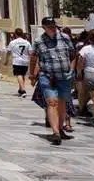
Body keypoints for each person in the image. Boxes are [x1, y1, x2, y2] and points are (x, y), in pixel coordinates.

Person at [29, 17, 76, 145]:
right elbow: (33, 58)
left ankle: (60, 129)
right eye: (49, 26)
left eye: (53, 26)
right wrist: (32, 75)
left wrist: (72, 70)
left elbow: (73, 55)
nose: (52, 28)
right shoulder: (39, 41)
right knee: (52, 102)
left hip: (64, 76)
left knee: (61, 102)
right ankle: (55, 132)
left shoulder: (65, 38)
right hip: (47, 77)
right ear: (44, 28)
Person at [6, 28, 31, 97]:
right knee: (22, 75)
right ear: (22, 34)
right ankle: (20, 89)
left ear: (15, 34)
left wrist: (6, 60)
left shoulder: (12, 42)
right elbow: (30, 52)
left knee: (19, 75)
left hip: (17, 61)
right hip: (25, 61)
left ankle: (23, 90)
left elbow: (8, 52)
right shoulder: (27, 42)